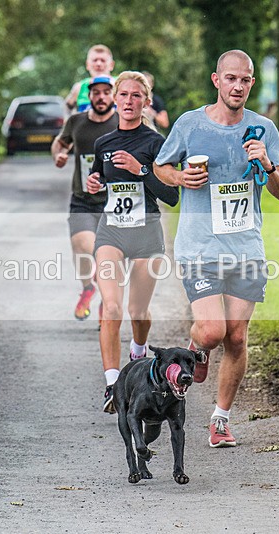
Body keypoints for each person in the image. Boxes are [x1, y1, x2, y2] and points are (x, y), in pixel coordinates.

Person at [153, 50, 279, 447]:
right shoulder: (190, 124)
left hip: (246, 248)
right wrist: (181, 178)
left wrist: (266, 164)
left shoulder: (263, 128)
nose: (238, 86)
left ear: (251, 83)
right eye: (230, 78)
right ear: (217, 80)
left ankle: (221, 419)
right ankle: (198, 345)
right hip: (199, 246)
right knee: (213, 331)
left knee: (237, 337)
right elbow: (162, 167)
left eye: (245, 80)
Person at [85, 71, 179, 414]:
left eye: (136, 95)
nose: (128, 101)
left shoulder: (158, 144)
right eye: (122, 94)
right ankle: (112, 383)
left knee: (137, 311)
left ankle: (138, 349)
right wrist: (95, 185)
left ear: (147, 102)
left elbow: (172, 195)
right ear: (114, 99)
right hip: (111, 230)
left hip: (146, 232)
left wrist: (142, 170)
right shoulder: (103, 143)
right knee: (111, 307)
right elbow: (99, 181)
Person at [51, 77, 119, 321]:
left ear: (113, 95)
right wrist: (58, 155)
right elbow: (60, 143)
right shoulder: (76, 122)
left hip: (115, 203)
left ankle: (106, 300)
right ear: (89, 96)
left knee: (106, 256)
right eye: (96, 93)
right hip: (82, 199)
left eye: (106, 92)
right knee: (82, 248)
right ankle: (88, 288)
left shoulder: (122, 122)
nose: (101, 97)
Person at [65, 44, 115, 113]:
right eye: (95, 60)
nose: (98, 64)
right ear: (87, 65)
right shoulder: (79, 87)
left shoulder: (121, 85)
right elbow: (65, 110)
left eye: (103, 60)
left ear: (111, 65)